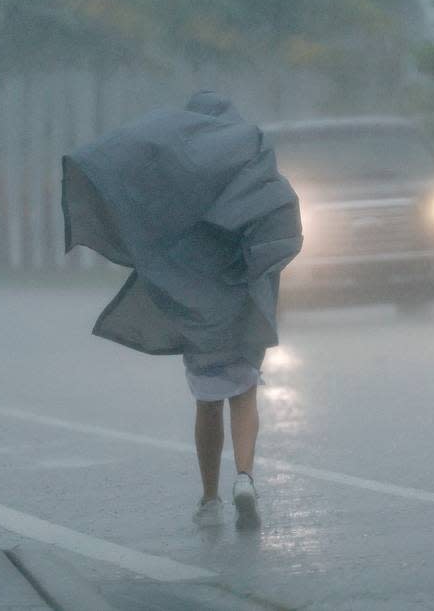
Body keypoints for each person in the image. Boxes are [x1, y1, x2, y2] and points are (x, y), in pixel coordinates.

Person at [62, 91, 302, 529]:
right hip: (245, 298)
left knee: (208, 400)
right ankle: (245, 477)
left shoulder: (177, 172)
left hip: (197, 302)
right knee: (245, 392)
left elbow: (148, 219)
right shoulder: (250, 156)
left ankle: (210, 497)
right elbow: (276, 215)